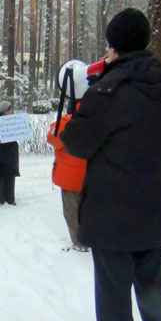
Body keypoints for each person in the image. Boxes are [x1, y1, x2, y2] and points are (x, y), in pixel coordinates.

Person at [61, 8, 161, 321]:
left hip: (112, 218)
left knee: (114, 302)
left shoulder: (108, 91)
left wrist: (84, 102)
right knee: (153, 293)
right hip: (156, 211)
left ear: (113, 48)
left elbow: (75, 142)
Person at [47, 101, 88, 252]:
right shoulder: (100, 120)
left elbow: (52, 138)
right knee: (87, 209)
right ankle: (89, 238)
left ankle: (79, 242)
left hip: (70, 177)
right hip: (92, 176)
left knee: (71, 211)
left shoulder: (66, 123)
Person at [0, 101, 19, 206]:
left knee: (11, 175)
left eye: (11, 109)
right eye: (8, 110)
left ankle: (10, 198)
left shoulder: (15, 120)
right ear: (3, 111)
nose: (11, 112)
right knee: (0, 176)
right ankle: (0, 199)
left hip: (11, 152)